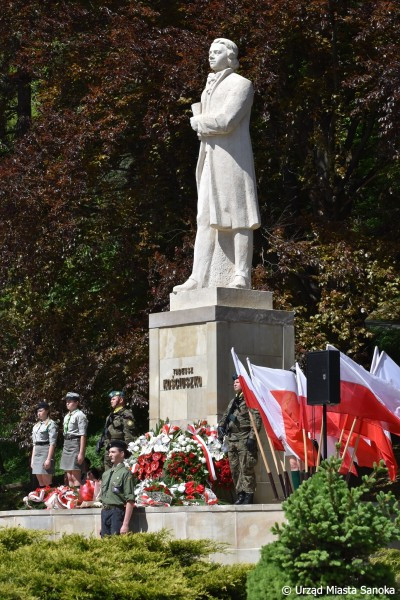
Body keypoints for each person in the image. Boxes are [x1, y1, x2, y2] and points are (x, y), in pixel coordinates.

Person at [174, 38, 260, 292]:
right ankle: (198, 277)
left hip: (234, 160)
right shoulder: (207, 88)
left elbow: (227, 121)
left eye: (217, 51)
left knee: (240, 216)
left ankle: (241, 275)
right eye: (209, 51)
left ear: (230, 56)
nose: (211, 55)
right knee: (205, 218)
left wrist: (198, 122)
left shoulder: (241, 85)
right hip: (210, 160)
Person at [217, 375, 261, 504]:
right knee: (235, 469)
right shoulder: (234, 401)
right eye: (234, 382)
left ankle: (248, 495)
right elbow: (225, 417)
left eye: (237, 382)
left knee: (246, 468)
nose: (234, 384)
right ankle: (240, 494)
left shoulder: (249, 400)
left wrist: (252, 438)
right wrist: (220, 428)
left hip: (244, 438)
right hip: (232, 440)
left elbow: (257, 420)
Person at [100, 440, 135, 536]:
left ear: (122, 454)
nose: (110, 455)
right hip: (104, 512)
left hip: (117, 513)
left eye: (113, 452)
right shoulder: (106, 474)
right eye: (109, 452)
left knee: (116, 544)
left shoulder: (125, 473)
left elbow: (130, 500)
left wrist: (125, 524)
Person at [96, 391, 136, 470]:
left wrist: (127, 452)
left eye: (113, 399)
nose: (111, 401)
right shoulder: (110, 416)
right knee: (107, 473)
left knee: (118, 473)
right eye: (111, 399)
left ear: (120, 400)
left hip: (119, 451)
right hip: (109, 449)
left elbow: (129, 435)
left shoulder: (126, 414)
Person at [60, 392, 88, 487]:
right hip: (67, 443)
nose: (67, 403)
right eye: (66, 401)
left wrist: (81, 453)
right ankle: (72, 498)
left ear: (76, 403)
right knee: (69, 476)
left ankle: (79, 499)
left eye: (70, 401)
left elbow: (83, 435)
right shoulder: (67, 416)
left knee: (75, 476)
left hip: (75, 443)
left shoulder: (80, 415)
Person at [31, 401, 58, 487]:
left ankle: (50, 499)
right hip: (37, 452)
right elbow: (34, 444)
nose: (38, 413)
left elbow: (52, 443)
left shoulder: (51, 424)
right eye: (37, 411)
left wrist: (48, 459)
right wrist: (32, 460)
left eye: (41, 411)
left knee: (47, 481)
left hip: (45, 451)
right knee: (40, 482)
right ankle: (42, 499)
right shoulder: (36, 426)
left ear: (47, 411)